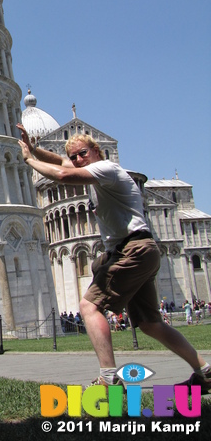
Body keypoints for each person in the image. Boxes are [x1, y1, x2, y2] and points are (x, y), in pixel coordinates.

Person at [17, 124, 211, 392]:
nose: (76, 160)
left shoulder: (106, 170)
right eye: (74, 156)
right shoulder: (95, 172)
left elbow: (62, 173)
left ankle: (108, 379)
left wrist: (28, 160)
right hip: (139, 250)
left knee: (89, 307)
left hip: (132, 249)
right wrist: (34, 148)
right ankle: (205, 371)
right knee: (150, 324)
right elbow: (62, 162)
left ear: (97, 151)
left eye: (82, 154)